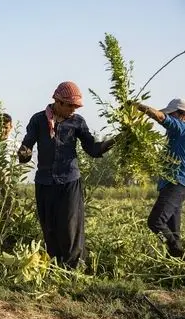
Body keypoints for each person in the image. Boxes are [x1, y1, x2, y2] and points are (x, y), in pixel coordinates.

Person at [18, 81, 116, 269]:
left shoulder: (77, 122)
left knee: (70, 227)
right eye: (70, 105)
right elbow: (26, 146)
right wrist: (24, 153)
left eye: (76, 106)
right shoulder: (38, 120)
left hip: (70, 181)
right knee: (49, 227)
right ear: (57, 101)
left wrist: (115, 141)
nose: (73, 109)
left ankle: (74, 269)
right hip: (45, 182)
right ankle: (55, 265)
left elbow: (93, 149)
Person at [135, 98, 185, 258]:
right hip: (173, 184)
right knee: (173, 230)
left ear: (180, 114)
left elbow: (160, 117)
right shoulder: (176, 135)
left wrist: (139, 107)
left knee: (155, 222)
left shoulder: (180, 128)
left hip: (176, 183)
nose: (169, 117)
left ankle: (176, 250)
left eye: (172, 114)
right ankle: (176, 259)